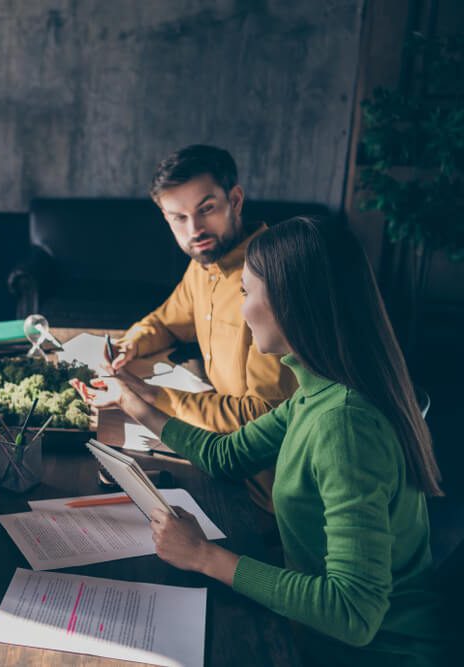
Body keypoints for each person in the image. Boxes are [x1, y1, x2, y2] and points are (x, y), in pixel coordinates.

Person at [75, 217, 445, 666]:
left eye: (247, 292)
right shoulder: (317, 389)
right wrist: (133, 402)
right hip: (320, 638)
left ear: (291, 304)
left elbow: (353, 613)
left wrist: (203, 556)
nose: (241, 308)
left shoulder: (345, 424)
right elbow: (226, 455)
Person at [109, 144, 297, 512]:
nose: (195, 229)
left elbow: (258, 419)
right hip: (215, 455)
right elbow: (166, 321)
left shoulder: (272, 276)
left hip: (265, 498)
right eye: (178, 217)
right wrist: (130, 344)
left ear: (236, 200)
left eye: (206, 209)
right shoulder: (204, 263)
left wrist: (154, 397)